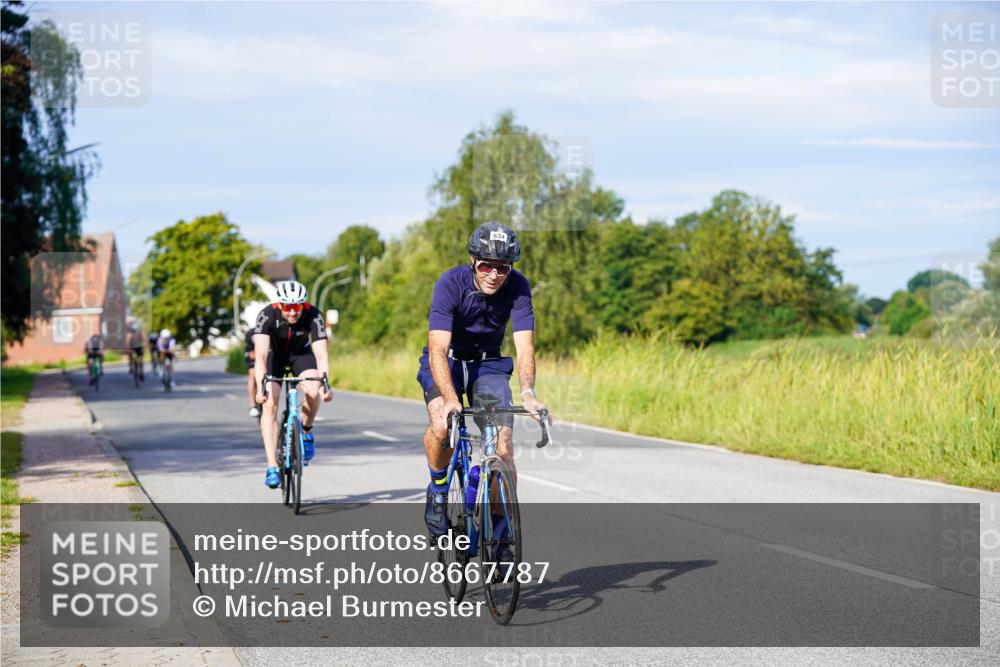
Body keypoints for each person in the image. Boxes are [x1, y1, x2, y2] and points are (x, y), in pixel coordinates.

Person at [416, 221, 550, 538]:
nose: (494, 274)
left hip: (488, 365)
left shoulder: (518, 286)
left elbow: (525, 347)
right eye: (487, 266)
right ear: (474, 261)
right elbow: (438, 349)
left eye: (502, 268)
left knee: (502, 447)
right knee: (441, 424)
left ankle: (501, 533)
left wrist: (528, 393)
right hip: (447, 361)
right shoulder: (451, 283)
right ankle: (438, 490)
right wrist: (450, 399)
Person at [253, 280, 333, 488]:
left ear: (303, 305)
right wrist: (260, 388)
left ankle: (305, 432)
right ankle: (272, 466)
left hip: (301, 355)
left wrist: (325, 384)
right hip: (274, 357)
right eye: (287, 307)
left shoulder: (314, 315)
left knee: (313, 390)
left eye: (296, 307)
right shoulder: (266, 315)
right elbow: (260, 356)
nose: (292, 312)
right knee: (269, 403)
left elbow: (321, 355)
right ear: (280, 305)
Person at [244, 326, 260, 418]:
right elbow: (251, 354)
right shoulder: (251, 333)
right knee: (252, 374)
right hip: (253, 357)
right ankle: (252, 405)